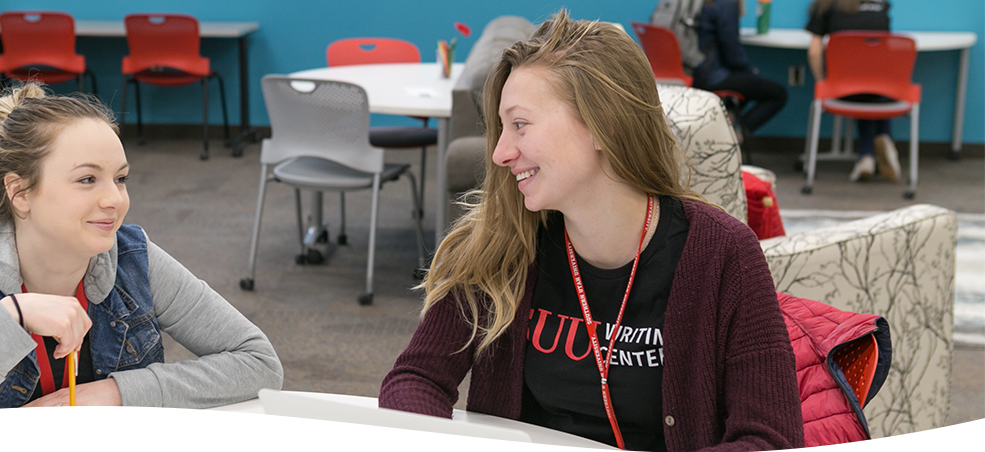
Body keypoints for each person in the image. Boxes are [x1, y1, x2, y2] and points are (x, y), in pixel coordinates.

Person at [379, 10, 803, 452]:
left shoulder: (723, 253)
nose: (502, 153)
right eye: (502, 130)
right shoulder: (499, 242)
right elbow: (416, 379)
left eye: (520, 125)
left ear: (602, 124)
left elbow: (769, 439)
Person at [0, 83, 283, 416]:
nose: (115, 200)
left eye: (120, 178)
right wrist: (9, 320)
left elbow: (259, 363)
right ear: (20, 192)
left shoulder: (131, 258)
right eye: (88, 180)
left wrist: (113, 393)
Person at [805, 0, 900, 183]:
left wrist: (823, 83)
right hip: (882, 85)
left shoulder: (826, 5)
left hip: (843, 86)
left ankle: (866, 156)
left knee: (859, 87)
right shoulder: (881, 4)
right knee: (871, 87)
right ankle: (882, 140)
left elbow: (814, 52)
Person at [694, 0, 788, 145]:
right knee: (778, 93)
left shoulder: (702, 3)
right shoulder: (725, 4)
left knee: (747, 84)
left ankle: (725, 126)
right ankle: (732, 140)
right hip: (711, 77)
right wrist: (751, 72)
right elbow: (733, 53)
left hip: (691, 72)